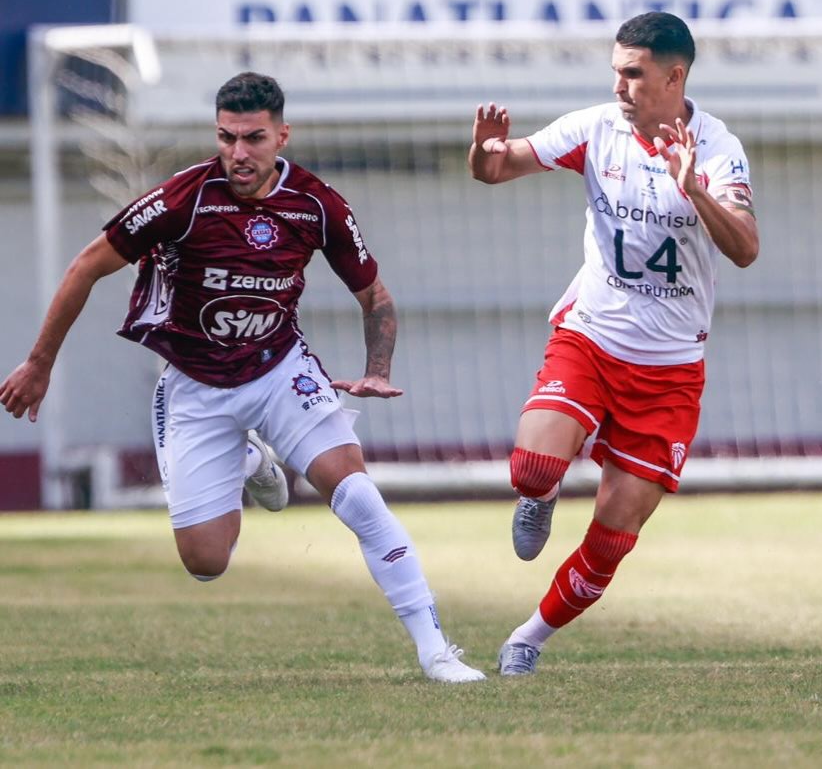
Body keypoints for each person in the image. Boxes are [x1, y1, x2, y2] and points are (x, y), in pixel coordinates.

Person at [1, 71, 484, 684]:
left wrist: (377, 370)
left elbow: (375, 296)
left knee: (357, 495)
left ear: (282, 135)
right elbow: (84, 267)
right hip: (195, 386)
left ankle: (435, 650)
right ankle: (252, 463)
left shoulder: (317, 205)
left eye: (253, 138)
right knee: (206, 562)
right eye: (227, 137)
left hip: (279, 369)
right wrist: (39, 364)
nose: (239, 153)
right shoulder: (182, 200)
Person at [468, 12, 759, 675]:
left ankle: (528, 637)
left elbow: (745, 248)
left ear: (674, 75)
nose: (621, 86)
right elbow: (494, 171)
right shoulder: (596, 128)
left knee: (612, 539)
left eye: (633, 73)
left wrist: (692, 188)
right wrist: (480, 149)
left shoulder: (716, 149)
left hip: (669, 372)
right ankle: (539, 500)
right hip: (591, 340)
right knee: (533, 469)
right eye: (615, 72)